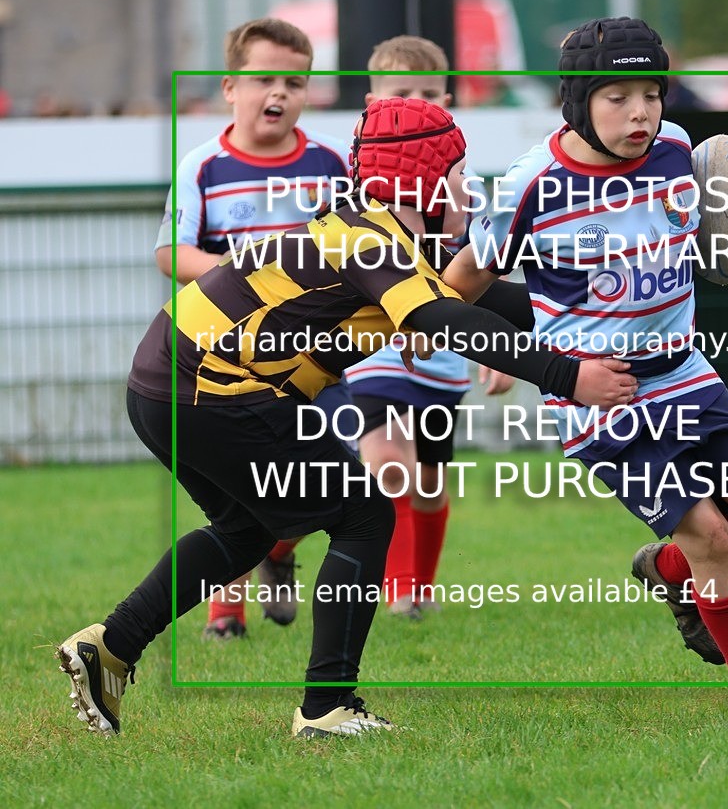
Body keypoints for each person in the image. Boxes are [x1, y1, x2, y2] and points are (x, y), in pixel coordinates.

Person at [55, 96, 637, 739]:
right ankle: (327, 707)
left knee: (246, 531)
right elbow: (446, 318)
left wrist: (619, 289)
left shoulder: (373, 233)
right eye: (460, 174)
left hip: (164, 383)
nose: (469, 190)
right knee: (364, 512)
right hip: (212, 389)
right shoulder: (373, 239)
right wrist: (569, 376)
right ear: (425, 181)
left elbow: (495, 299)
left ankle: (111, 646)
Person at [442, 16, 728, 727]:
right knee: (712, 535)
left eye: (651, 92)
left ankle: (667, 572)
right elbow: (457, 285)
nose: (641, 111)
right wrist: (482, 351)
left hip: (685, 375)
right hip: (602, 403)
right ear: (578, 102)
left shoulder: (685, 152)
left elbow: (722, 237)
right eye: (617, 96)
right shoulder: (532, 186)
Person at [153, 17, 356, 639]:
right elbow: (170, 252)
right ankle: (225, 615)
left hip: (316, 359)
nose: (279, 93)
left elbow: (360, 248)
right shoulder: (204, 166)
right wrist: (234, 275)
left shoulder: (329, 163)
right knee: (236, 483)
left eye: (294, 81)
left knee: (322, 472)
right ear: (228, 88)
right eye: (263, 78)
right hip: (226, 362)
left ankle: (280, 549)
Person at [344, 35, 514, 620]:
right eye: (400, 94)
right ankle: (391, 591)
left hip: (442, 366)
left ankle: (418, 590)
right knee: (390, 464)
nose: (414, 105)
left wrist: (499, 350)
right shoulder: (353, 194)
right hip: (373, 358)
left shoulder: (468, 195)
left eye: (427, 95)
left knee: (429, 482)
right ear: (371, 103)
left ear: (447, 102)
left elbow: (484, 274)